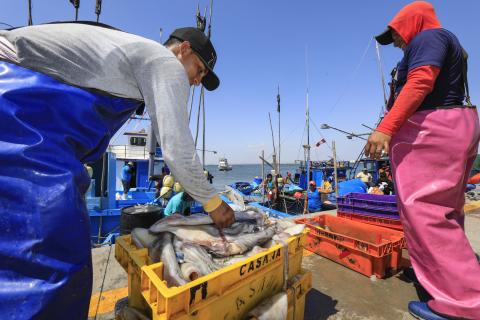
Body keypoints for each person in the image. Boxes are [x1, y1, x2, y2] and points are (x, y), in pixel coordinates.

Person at [0, 23, 234, 318]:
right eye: (199, 69)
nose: (198, 81)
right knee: (48, 258)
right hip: (21, 103)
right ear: (183, 49)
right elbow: (177, 148)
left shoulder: (134, 55)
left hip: (26, 104)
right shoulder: (165, 62)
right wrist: (214, 204)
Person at [367, 2, 479, 318]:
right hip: (452, 127)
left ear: (411, 22)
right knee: (444, 212)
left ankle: (461, 304)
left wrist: (385, 128)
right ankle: (455, 281)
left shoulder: (428, 37)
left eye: (397, 35)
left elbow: (420, 81)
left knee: (425, 214)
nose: (397, 43)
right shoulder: (441, 39)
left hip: (431, 132)